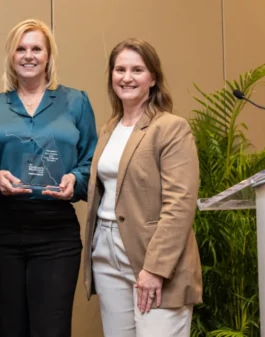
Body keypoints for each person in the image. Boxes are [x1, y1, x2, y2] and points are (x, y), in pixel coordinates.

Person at [0, 19, 97, 337]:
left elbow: (91, 160)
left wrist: (76, 181)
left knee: (51, 329)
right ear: (11, 57)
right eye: (21, 48)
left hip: (56, 231)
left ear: (48, 56)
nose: (29, 55)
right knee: (6, 329)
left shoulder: (76, 102)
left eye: (36, 48)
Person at [82, 38, 203, 336]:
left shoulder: (171, 127)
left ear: (153, 78)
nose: (127, 77)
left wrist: (156, 268)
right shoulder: (109, 128)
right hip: (107, 253)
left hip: (154, 255)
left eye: (137, 69)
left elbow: (180, 204)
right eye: (119, 69)